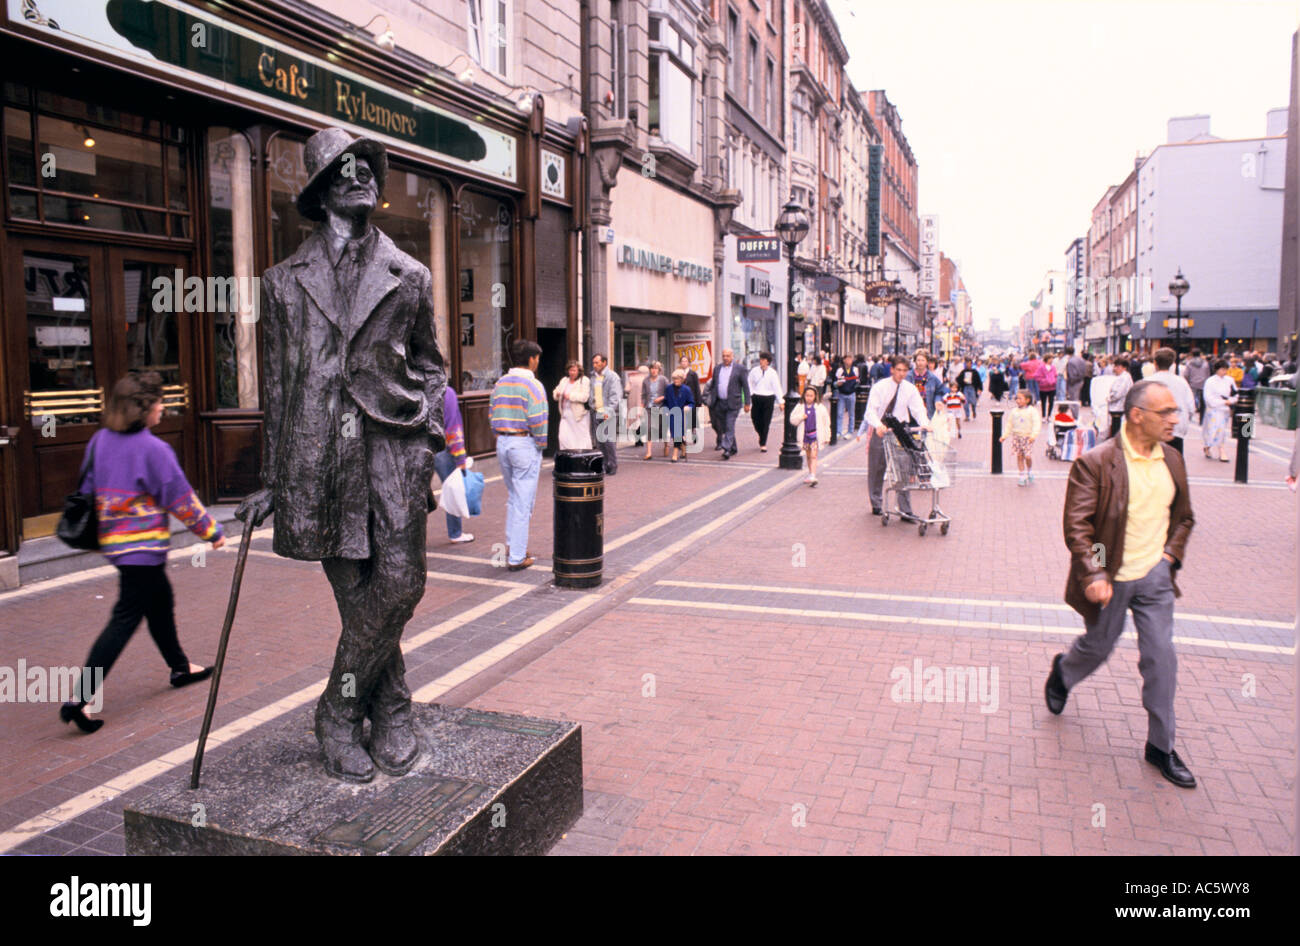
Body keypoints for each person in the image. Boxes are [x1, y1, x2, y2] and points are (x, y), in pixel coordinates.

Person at [234, 127, 446, 782]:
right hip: (319, 457)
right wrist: (272, 478)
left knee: (403, 580)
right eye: (345, 168)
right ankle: (390, 712)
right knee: (357, 593)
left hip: (392, 446)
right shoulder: (281, 282)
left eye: (368, 166)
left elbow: (433, 367)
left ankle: (335, 707)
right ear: (323, 188)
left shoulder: (410, 275)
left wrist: (428, 432)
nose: (361, 176)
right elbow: (277, 385)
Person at [1046, 380, 1197, 789]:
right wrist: (1095, 572)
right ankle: (1064, 671)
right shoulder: (1096, 462)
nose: (1173, 419)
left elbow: (1184, 517)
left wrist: (1169, 558)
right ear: (1136, 416)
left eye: (1174, 412)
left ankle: (1161, 747)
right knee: (1098, 646)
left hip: (1155, 578)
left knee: (1161, 658)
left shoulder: (1172, 458)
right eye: (1165, 412)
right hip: (1111, 576)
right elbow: (1081, 527)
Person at [59, 371, 225, 734]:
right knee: (125, 619)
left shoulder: (99, 441)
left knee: (160, 603)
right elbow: (181, 500)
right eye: (159, 403)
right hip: (143, 550)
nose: (163, 408)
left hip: (116, 547)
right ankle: (80, 699)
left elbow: (88, 487)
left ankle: (180, 667)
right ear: (144, 409)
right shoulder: (155, 450)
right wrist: (212, 532)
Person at [491, 339, 548, 571]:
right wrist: (540, 444)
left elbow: (491, 412)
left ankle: (510, 545)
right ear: (532, 359)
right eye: (537, 359)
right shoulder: (533, 385)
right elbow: (539, 419)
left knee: (514, 497)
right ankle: (516, 556)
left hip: (503, 441)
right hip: (524, 442)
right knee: (524, 501)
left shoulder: (500, 383)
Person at [857, 355, 930, 518]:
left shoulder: (910, 388)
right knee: (877, 467)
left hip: (900, 431)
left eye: (905, 371)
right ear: (892, 370)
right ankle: (876, 502)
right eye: (898, 370)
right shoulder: (880, 387)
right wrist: (878, 425)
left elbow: (918, 409)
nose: (901, 374)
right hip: (881, 429)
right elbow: (870, 411)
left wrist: (925, 423)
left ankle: (905, 509)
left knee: (903, 468)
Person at [433, 386, 475, 543]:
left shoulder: (416, 389)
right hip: (442, 448)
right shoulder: (446, 392)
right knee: (453, 489)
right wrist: (460, 457)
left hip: (419, 448)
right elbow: (452, 425)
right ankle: (455, 533)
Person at [1148, 347, 1196, 455]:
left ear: (1155, 363)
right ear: (1172, 363)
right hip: (1176, 429)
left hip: (1153, 429)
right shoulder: (1181, 382)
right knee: (1175, 463)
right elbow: (1191, 407)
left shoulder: (1148, 381)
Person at [708, 347, 751, 459]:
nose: (725, 358)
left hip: (733, 403)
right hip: (720, 403)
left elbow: (746, 386)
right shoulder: (717, 369)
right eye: (724, 356)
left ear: (732, 356)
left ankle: (726, 448)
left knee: (729, 424)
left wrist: (747, 402)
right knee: (725, 427)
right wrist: (712, 400)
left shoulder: (740, 369)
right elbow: (714, 385)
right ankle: (733, 447)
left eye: (728, 356)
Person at [588, 353, 622, 476]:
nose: (595, 365)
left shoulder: (612, 377)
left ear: (604, 363)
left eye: (597, 362)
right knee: (599, 441)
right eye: (593, 363)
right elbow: (591, 393)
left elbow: (615, 396)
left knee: (609, 441)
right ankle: (603, 465)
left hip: (608, 413)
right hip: (596, 412)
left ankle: (612, 465)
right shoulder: (593, 376)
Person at [1001, 388, 1042, 486]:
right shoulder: (1014, 411)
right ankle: (1021, 475)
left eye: (1020, 399)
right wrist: (1004, 436)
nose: (1017, 400)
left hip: (1028, 437)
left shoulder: (1032, 411)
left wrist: (1033, 435)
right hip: (1017, 437)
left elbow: (1037, 424)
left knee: (1027, 456)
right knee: (1019, 456)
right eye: (1017, 398)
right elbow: (1009, 424)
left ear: (1027, 400)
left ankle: (1029, 470)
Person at [1201, 359, 1238, 462]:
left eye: (1226, 369)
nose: (1224, 372)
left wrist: (1231, 401)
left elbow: (1235, 393)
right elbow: (1208, 397)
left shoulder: (1229, 380)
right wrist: (1221, 402)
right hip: (1213, 410)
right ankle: (1213, 447)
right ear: (1217, 369)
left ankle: (1219, 448)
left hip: (1224, 410)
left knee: (1221, 430)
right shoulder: (1210, 381)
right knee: (1213, 429)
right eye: (1222, 369)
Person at [793, 386, 831, 485]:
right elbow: (792, 419)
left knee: (814, 455)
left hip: (815, 435)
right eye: (807, 395)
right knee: (809, 455)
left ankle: (813, 475)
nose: (809, 398)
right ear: (804, 396)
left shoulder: (820, 407)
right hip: (805, 435)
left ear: (815, 396)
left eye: (811, 396)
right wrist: (801, 417)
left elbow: (826, 422)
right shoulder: (800, 406)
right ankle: (810, 473)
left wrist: (827, 436)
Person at [552, 360, 592, 452]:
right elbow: (555, 391)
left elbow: (585, 397)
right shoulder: (564, 380)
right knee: (563, 437)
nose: (572, 372)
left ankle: (582, 458)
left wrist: (570, 396)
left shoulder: (584, 380)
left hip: (578, 415)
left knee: (580, 439)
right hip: (565, 413)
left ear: (579, 371)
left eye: (574, 370)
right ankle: (568, 458)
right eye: (570, 370)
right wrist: (557, 395)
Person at [749, 352, 783, 452]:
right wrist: (751, 394)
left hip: (768, 398)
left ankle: (763, 443)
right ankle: (761, 434)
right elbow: (749, 382)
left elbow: (777, 387)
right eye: (760, 359)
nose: (761, 361)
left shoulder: (773, 373)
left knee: (766, 421)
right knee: (755, 419)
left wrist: (781, 401)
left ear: (768, 362)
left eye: (764, 360)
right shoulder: (754, 371)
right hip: (757, 397)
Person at [661, 368, 695, 462]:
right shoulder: (668, 388)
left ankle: (675, 454)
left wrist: (688, 407)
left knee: (678, 434)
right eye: (674, 379)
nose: (676, 381)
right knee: (675, 434)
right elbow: (665, 402)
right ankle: (683, 449)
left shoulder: (686, 390)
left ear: (682, 379)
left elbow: (692, 402)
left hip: (681, 414)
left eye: (678, 379)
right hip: (672, 414)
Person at [641, 361, 670, 460]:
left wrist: (661, 398)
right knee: (649, 428)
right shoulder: (645, 380)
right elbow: (643, 395)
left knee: (663, 429)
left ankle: (666, 445)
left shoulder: (663, 380)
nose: (654, 370)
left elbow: (669, 393)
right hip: (649, 408)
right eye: (652, 368)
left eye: (656, 368)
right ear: (649, 370)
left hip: (661, 407)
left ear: (659, 370)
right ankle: (649, 452)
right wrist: (642, 407)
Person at [909, 351, 947, 416]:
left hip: (927, 412)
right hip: (911, 413)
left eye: (923, 360)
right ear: (915, 361)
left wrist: (937, 400)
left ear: (927, 362)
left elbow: (940, 391)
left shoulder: (932, 377)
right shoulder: (908, 376)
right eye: (918, 360)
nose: (920, 363)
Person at [832, 354, 860, 439]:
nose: (849, 361)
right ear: (844, 360)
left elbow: (857, 382)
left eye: (850, 359)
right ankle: (838, 432)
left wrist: (854, 386)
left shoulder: (855, 370)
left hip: (851, 394)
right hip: (842, 394)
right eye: (847, 359)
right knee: (840, 414)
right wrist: (838, 384)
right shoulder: (840, 370)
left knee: (851, 414)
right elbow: (835, 384)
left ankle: (850, 431)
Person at [678, 355, 703, 444]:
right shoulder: (678, 374)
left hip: (691, 400)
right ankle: (682, 437)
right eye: (682, 361)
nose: (684, 363)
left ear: (688, 363)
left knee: (692, 419)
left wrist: (699, 401)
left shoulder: (693, 374)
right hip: (681, 400)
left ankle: (694, 432)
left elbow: (697, 388)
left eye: (685, 361)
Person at [1106, 358, 1133, 438]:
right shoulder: (1123, 377)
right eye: (1115, 366)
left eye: (1118, 367)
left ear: (1124, 368)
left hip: (1118, 406)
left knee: (1116, 427)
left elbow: (1118, 393)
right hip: (1117, 406)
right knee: (1115, 426)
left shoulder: (1124, 378)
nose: (1115, 369)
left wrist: (1109, 398)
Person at [1065, 347, 1088, 418]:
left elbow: (1072, 375)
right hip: (1081, 380)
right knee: (1076, 398)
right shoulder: (1081, 359)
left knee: (1073, 400)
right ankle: (1076, 415)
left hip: (1074, 382)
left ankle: (1075, 416)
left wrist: (1069, 383)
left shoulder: (1070, 362)